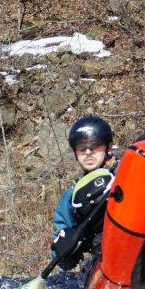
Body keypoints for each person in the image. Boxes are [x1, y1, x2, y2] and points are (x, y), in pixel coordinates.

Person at [49, 115, 115, 272]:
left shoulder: (126, 171)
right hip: (102, 259)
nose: (88, 152)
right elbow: (62, 259)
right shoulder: (71, 197)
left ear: (109, 147)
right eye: (81, 147)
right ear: (75, 152)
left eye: (95, 145)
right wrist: (64, 248)